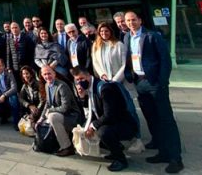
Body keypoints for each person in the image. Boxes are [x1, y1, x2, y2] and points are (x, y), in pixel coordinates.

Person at [124, 11, 183, 173]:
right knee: (152, 119)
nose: (130, 23)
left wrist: (162, 81)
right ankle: (163, 152)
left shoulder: (152, 36)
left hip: (154, 82)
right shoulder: (127, 37)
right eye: (128, 21)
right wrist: (130, 76)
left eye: (133, 20)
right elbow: (128, 58)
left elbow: (165, 59)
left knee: (166, 120)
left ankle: (175, 158)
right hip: (139, 82)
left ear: (140, 20)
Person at [72, 66, 138, 172]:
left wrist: (93, 126)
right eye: (77, 80)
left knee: (103, 132)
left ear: (88, 75)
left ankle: (121, 160)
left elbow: (109, 114)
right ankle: (115, 149)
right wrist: (83, 96)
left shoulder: (104, 88)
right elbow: (90, 112)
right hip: (112, 122)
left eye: (82, 78)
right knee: (92, 129)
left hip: (125, 124)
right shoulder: (90, 89)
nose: (80, 82)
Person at [37, 65, 82, 156]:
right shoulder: (47, 85)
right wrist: (41, 118)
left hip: (72, 116)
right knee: (47, 118)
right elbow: (47, 104)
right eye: (45, 74)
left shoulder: (62, 86)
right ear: (42, 75)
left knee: (52, 117)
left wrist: (50, 110)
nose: (47, 76)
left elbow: (65, 108)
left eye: (49, 73)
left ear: (54, 74)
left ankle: (67, 147)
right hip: (61, 114)